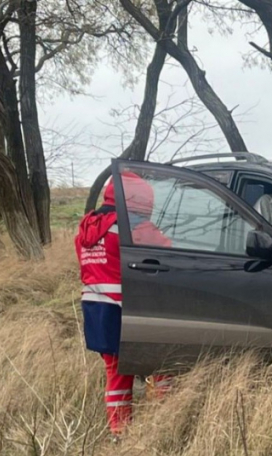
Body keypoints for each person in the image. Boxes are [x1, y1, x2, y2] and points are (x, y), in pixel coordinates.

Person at [75, 172, 171, 437]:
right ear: (136, 199)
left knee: (116, 373)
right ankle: (166, 422)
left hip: (96, 309)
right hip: (127, 310)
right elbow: (167, 251)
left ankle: (119, 432)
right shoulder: (132, 228)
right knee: (163, 364)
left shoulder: (86, 228)